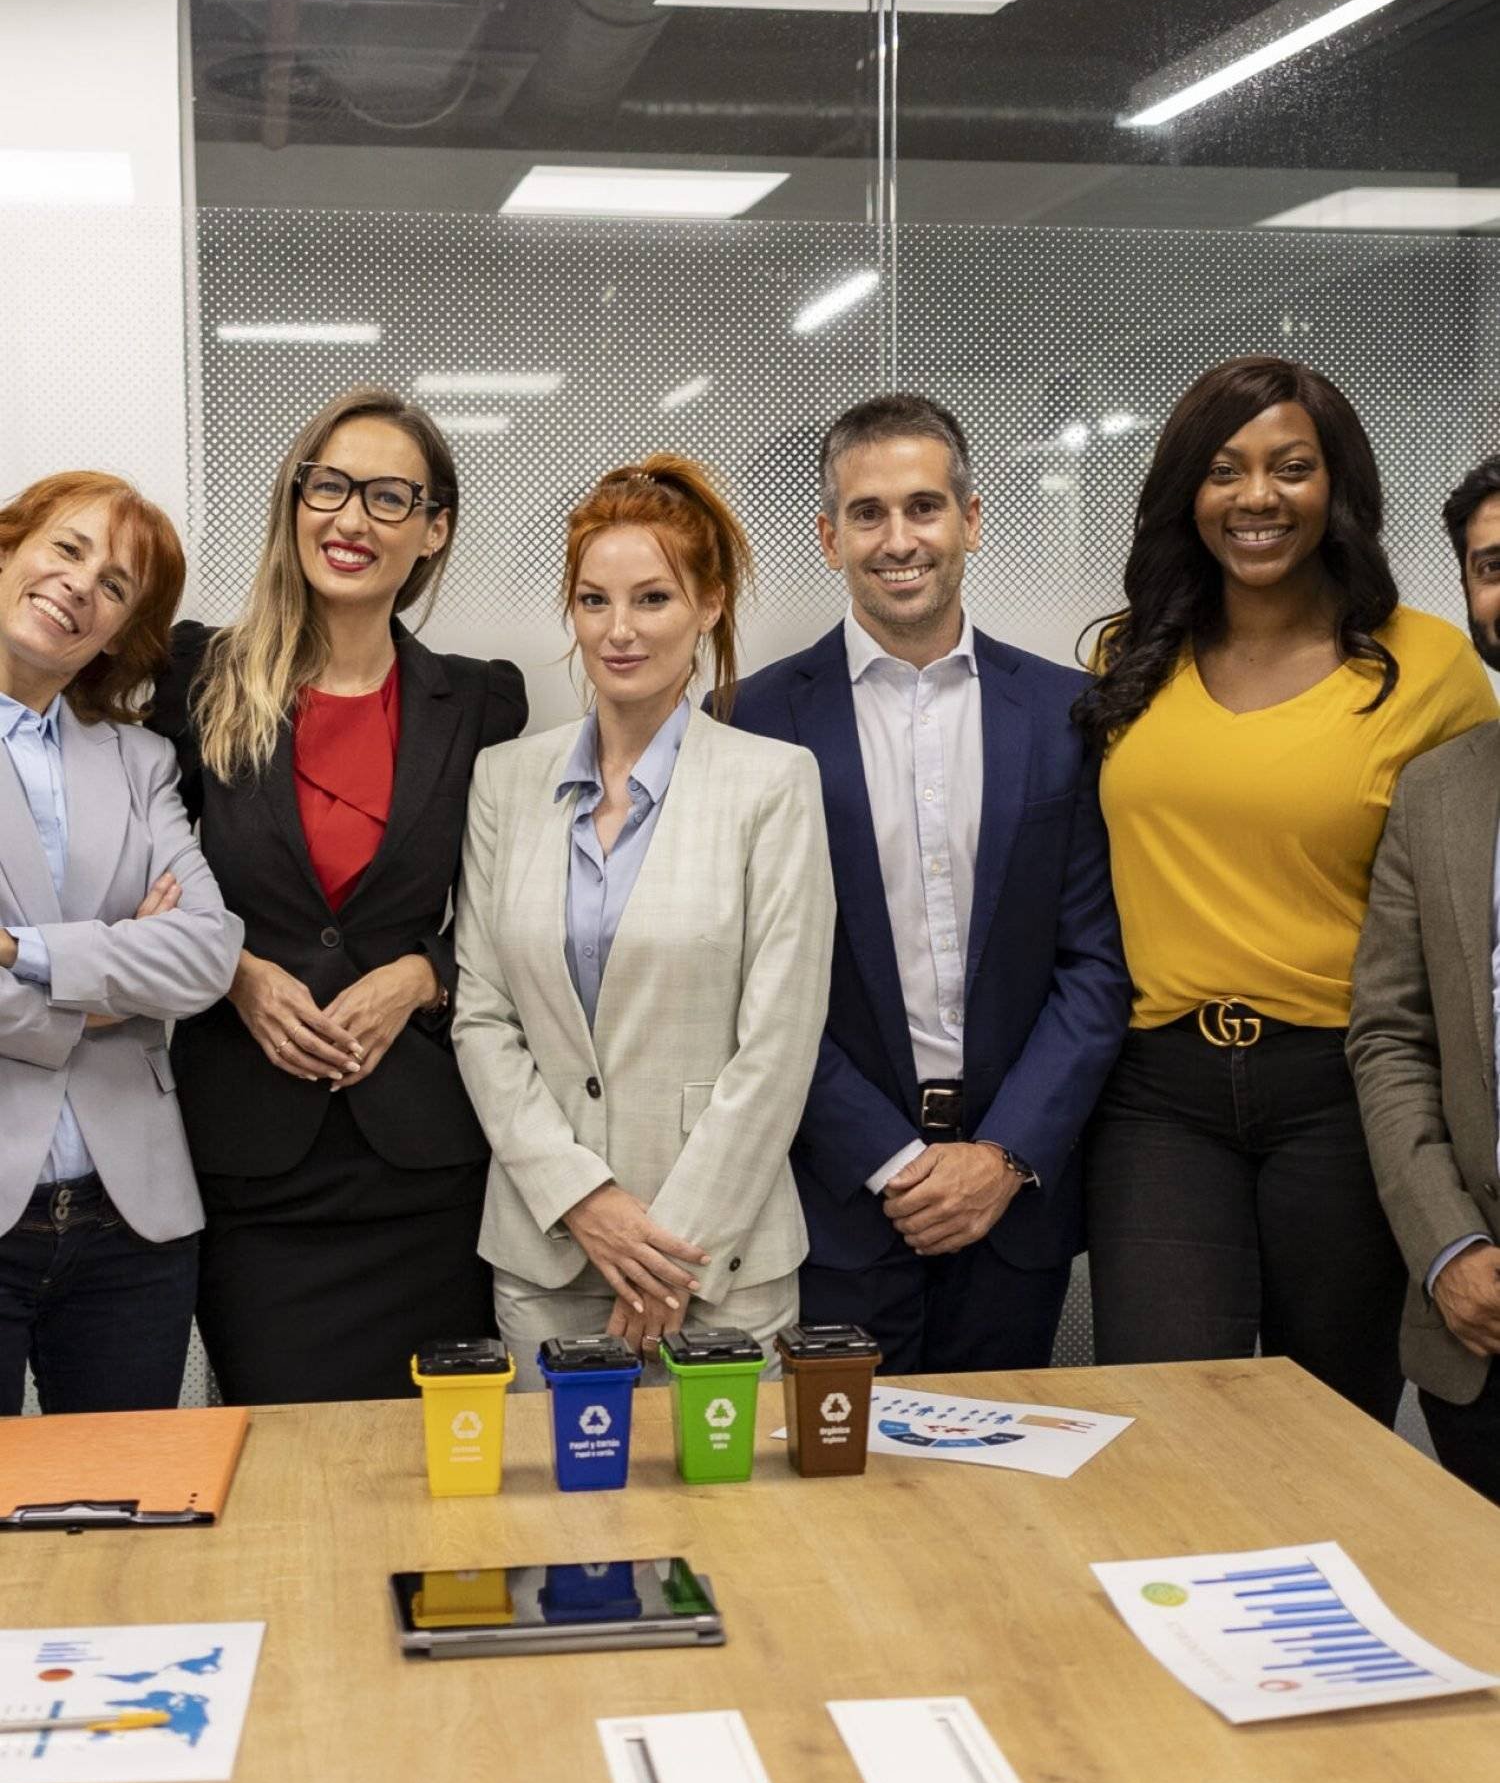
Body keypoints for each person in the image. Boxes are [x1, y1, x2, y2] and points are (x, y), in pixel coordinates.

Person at [1079, 356, 1497, 1425]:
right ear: (1189, 491)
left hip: (1347, 1094)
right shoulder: (1133, 658)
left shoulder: (1430, 667)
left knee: (1331, 1427)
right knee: (1164, 1417)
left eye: (1292, 467)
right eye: (1223, 470)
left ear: (1339, 487)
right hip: (1160, 1093)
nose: (1257, 496)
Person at [730, 395, 1130, 1373]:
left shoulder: (1069, 713)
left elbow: (1095, 961)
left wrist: (1004, 1154)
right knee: (836, 1504)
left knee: (1001, 1501)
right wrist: (890, 1156)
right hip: (838, 1200)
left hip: (1014, 1200)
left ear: (971, 520)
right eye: (867, 513)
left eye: (923, 507)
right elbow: (751, 980)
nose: (898, 539)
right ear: (828, 536)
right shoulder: (750, 719)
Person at [147, 387, 527, 1404]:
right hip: (251, 1163)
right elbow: (144, 888)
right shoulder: (196, 674)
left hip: (424, 1163)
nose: (351, 519)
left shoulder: (482, 699)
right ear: (296, 499)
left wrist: (421, 972)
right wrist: (232, 971)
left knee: (436, 1472)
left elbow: (511, 919)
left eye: (390, 497)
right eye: (331, 486)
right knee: (281, 1470)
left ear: (434, 528)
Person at [452, 453, 834, 1390]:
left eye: (653, 599)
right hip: (550, 1258)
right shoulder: (505, 780)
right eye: (593, 601)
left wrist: (670, 1254)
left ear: (708, 606)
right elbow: (483, 1017)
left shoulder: (773, 782)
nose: (619, 632)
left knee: (729, 1527)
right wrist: (585, 1200)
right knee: (559, 1525)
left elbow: (779, 1044)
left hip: (721, 1265)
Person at [0, 471, 242, 1415]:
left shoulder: (139, 758)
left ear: (120, 632)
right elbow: (157, 968)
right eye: (67, 549)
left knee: (126, 1532)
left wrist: (22, 954)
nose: (80, 586)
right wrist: (114, 978)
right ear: (10, 549)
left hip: (129, 1227)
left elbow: (207, 952)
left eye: (115, 586)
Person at [1347, 453, 1500, 1502]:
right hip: (1478, 1326)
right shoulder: (1437, 793)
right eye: (1492, 565)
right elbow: (1391, 1034)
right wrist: (1448, 1246)